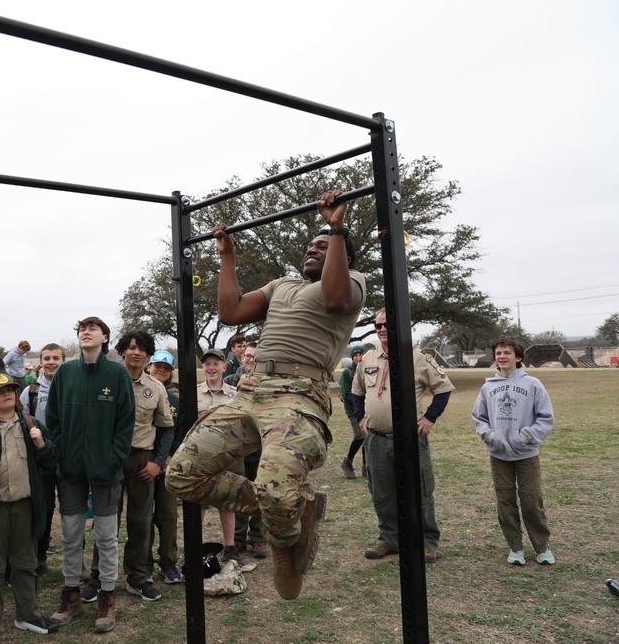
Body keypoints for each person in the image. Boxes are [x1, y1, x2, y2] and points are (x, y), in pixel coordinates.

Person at [167, 190, 365, 600]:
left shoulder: (353, 284)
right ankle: (289, 506)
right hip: (251, 391)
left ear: (343, 258)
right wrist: (227, 255)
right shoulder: (281, 286)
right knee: (182, 474)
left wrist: (337, 227)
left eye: (324, 247)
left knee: (276, 484)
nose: (314, 248)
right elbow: (231, 312)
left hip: (298, 393)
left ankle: (286, 537)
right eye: (311, 245)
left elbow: (334, 297)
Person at [45, 317, 134, 633]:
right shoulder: (66, 373)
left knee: (107, 536)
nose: (85, 332)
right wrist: (59, 450)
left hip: (106, 470)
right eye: (82, 329)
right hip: (70, 468)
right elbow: (52, 417)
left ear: (105, 337)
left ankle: (107, 598)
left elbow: (126, 423)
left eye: (92, 328)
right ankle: (71, 596)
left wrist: (113, 460)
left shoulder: (117, 373)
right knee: (71, 533)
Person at [0, 373, 60, 643]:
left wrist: (41, 443)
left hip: (26, 506)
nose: (7, 394)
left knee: (26, 563)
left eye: (11, 390)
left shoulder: (32, 424)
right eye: (1, 391)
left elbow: (52, 459)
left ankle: (27, 615)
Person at [351, 310, 453, 564]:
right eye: (378, 325)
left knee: (420, 490)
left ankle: (427, 541)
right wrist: (361, 418)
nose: (382, 329)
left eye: (387, 324)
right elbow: (356, 392)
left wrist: (429, 418)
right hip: (376, 439)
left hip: (409, 439)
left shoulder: (417, 358)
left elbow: (443, 389)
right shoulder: (368, 358)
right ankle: (390, 540)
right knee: (381, 492)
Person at [83, 331, 173, 604]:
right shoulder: (105, 380)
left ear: (148, 355)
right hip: (110, 460)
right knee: (106, 522)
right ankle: (99, 579)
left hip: (141, 460)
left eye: (142, 349)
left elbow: (166, 429)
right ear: (121, 351)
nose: (136, 352)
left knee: (140, 522)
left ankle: (137, 579)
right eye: (131, 347)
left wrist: (158, 463)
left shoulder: (155, 388)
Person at [471, 338, 555, 566]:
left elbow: (546, 418)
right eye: (498, 353)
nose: (502, 356)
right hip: (499, 455)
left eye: (507, 352)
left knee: (531, 501)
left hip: (526, 454)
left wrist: (524, 437)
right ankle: (515, 548)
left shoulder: (533, 384)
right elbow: (479, 418)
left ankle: (542, 547)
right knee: (505, 501)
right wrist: (490, 436)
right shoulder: (488, 387)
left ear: (518, 358)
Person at [21, 344, 68, 576]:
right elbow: (22, 420)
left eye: (56, 358)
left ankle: (74, 559)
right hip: (41, 459)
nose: (52, 362)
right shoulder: (30, 390)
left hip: (68, 457)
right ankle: (39, 556)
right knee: (44, 508)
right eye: (47, 358)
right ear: (40, 362)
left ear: (64, 360)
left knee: (71, 510)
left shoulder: (71, 386)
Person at [194, 349, 241, 564]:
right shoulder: (193, 393)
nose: (211, 367)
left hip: (227, 455)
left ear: (224, 367)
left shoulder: (235, 393)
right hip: (201, 456)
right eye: (207, 364)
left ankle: (230, 548)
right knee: (200, 503)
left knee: (227, 502)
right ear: (203, 368)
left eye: (216, 363)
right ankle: (194, 549)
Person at [145, 350, 183, 583]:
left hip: (168, 465)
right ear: (149, 367)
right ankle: (145, 563)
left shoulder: (176, 401)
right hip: (145, 463)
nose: (161, 370)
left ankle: (168, 563)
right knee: (143, 517)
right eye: (158, 366)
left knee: (168, 516)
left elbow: (180, 431)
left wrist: (168, 456)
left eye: (166, 368)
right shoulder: (140, 393)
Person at [231, 342, 267, 560]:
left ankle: (258, 537)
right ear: (241, 357)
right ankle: (237, 537)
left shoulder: (268, 384)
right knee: (239, 492)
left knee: (260, 492)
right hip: (238, 447)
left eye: (255, 356)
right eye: (247, 356)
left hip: (262, 446)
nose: (251, 359)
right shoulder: (230, 383)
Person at [338, 344, 367, 479]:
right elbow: (347, 395)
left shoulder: (368, 370)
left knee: (369, 437)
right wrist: (362, 402)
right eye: (355, 355)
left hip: (368, 409)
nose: (358, 357)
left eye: (360, 354)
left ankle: (366, 468)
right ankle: (347, 463)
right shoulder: (347, 373)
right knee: (361, 436)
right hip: (354, 410)